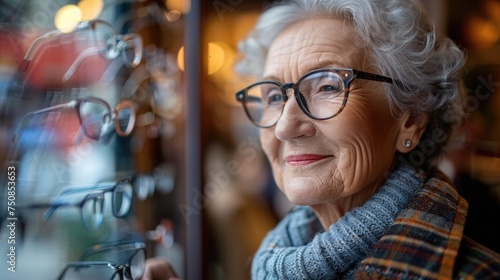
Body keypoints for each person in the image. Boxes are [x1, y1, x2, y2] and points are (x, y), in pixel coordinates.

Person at [144, 0, 500, 278]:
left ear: (411, 120)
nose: (284, 127)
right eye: (272, 97)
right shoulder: (282, 258)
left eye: (328, 86)